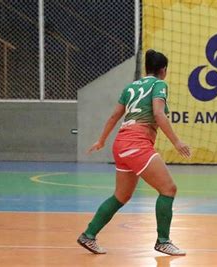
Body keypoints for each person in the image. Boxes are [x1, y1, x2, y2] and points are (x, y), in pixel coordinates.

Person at [77, 49, 191, 255]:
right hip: (136, 144)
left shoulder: (130, 87)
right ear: (163, 70)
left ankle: (88, 235)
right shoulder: (159, 85)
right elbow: (158, 113)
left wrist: (101, 140)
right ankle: (163, 241)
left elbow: (114, 116)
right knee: (168, 189)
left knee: (121, 195)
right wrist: (177, 142)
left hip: (120, 144)